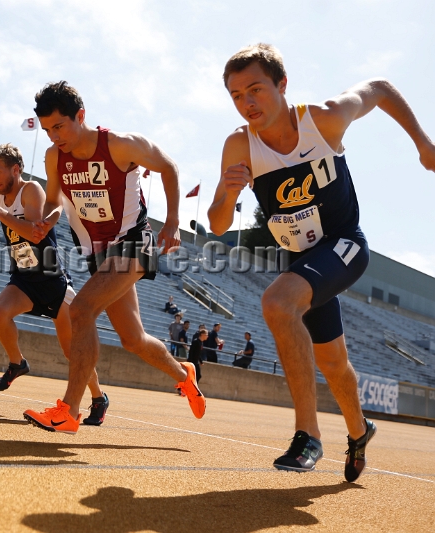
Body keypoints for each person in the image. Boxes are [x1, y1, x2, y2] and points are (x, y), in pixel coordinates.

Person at [208, 43, 435, 480]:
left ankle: (307, 434)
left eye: (255, 89)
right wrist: (228, 191)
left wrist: (424, 144)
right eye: (236, 96)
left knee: (277, 303)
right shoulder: (239, 144)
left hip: (344, 245)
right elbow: (218, 224)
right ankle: (359, 430)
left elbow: (381, 88)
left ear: (282, 85)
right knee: (333, 362)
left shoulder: (324, 119)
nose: (247, 103)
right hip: (303, 260)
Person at [22, 81, 205, 434]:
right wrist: (46, 220)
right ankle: (185, 374)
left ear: (81, 116)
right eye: (47, 130)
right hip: (98, 252)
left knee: (81, 310)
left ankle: (69, 411)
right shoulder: (53, 157)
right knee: (133, 339)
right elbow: (55, 200)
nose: (53, 137)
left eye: (59, 126)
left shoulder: (121, 145)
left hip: (134, 241)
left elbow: (168, 167)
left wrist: (172, 222)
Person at [0, 143, 110, 424]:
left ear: (16, 169)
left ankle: (98, 397)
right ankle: (17, 363)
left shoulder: (31, 190)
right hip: (24, 277)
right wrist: (1, 213)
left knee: (71, 351)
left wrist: (0, 215)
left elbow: (36, 234)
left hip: (52, 280)